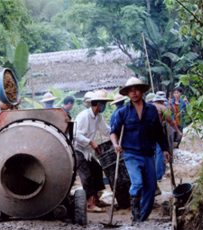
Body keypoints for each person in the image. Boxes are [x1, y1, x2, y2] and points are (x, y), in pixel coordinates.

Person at [110, 77, 170, 222]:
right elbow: (114, 131)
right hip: (131, 154)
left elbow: (158, 132)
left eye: (136, 89)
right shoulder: (122, 112)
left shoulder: (152, 110)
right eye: (130, 91)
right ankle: (136, 216)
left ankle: (141, 219)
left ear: (142, 91)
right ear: (127, 94)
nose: (134, 93)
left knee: (150, 189)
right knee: (137, 183)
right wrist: (115, 144)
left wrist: (165, 149)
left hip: (149, 154)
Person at [75, 90, 112, 212]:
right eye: (104, 104)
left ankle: (96, 199)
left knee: (96, 169)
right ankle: (88, 204)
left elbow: (106, 130)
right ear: (99, 104)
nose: (104, 106)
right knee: (86, 175)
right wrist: (91, 142)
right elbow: (76, 134)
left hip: (87, 151)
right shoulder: (84, 116)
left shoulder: (98, 117)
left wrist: (116, 131)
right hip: (77, 149)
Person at [152, 92, 182, 181]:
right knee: (160, 152)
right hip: (157, 133)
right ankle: (158, 176)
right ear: (162, 100)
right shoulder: (162, 108)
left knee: (153, 154)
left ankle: (155, 175)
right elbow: (171, 121)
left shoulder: (149, 106)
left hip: (147, 134)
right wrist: (178, 132)